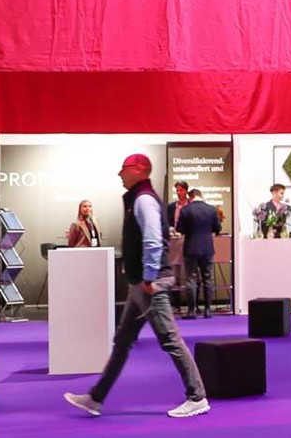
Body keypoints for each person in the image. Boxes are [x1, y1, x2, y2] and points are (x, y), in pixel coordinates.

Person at [62, 154, 210, 419]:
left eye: (125, 169)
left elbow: (153, 240)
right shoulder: (138, 199)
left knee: (170, 340)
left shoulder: (143, 200)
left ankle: (197, 396)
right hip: (141, 283)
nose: (120, 173)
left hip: (150, 283)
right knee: (123, 341)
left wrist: (150, 278)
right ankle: (96, 398)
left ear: (140, 170)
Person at [175, 187, 221, 318]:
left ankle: (191, 311)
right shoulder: (211, 209)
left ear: (190, 197)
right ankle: (208, 310)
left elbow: (180, 229)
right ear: (201, 195)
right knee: (208, 278)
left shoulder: (185, 210)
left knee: (191, 279)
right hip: (207, 248)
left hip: (190, 248)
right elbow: (217, 227)